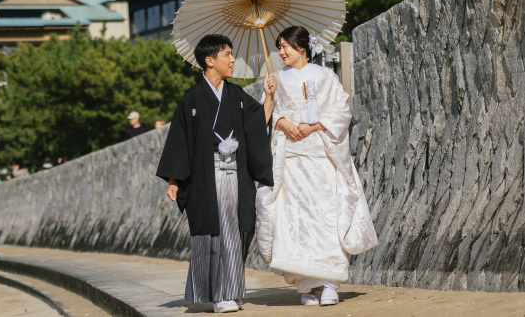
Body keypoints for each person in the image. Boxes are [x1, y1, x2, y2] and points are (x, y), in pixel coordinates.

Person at [255, 26, 378, 306]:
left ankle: (331, 282)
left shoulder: (325, 75)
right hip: (291, 160)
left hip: (322, 156)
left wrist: (314, 127)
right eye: (279, 47)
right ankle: (307, 285)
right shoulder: (276, 79)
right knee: (296, 220)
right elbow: (266, 115)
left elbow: (342, 109)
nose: (281, 52)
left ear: (302, 47)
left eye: (286, 46)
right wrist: (281, 116)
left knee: (327, 216)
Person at [157, 34, 275, 314]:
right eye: (227, 55)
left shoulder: (236, 95)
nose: (233, 60)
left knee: (236, 232)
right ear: (210, 61)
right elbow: (179, 139)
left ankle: (231, 291)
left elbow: (257, 125)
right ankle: (217, 295)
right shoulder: (192, 99)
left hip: (236, 174)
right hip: (205, 180)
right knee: (212, 232)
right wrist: (174, 180)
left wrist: (270, 96)